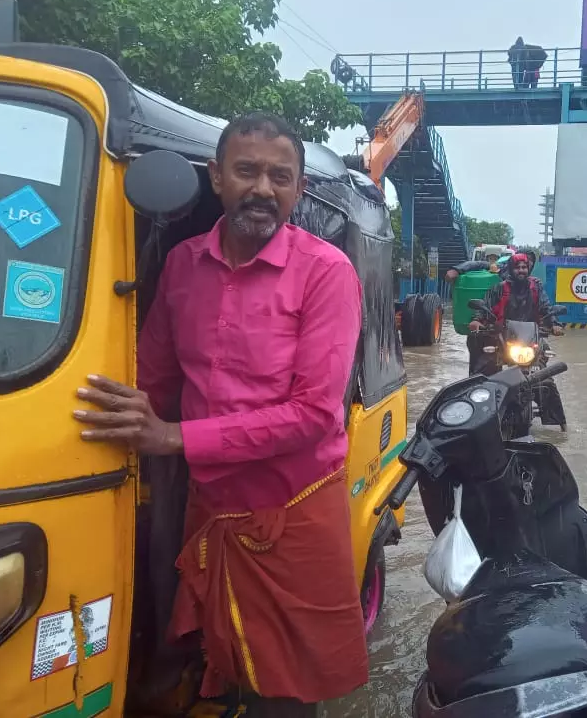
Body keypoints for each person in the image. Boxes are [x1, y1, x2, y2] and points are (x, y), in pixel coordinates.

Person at [73, 112, 368, 717]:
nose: (263, 189)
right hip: (210, 507)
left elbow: (313, 413)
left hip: (294, 510)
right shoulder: (182, 265)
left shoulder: (327, 273)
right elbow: (148, 380)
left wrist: (173, 437)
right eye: (247, 171)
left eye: (280, 177)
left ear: (299, 189)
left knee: (283, 696)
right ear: (216, 177)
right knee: (220, 664)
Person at [468, 253, 562, 376]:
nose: (521, 270)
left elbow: (546, 307)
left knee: (543, 362)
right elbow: (486, 305)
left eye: (524, 267)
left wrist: (554, 324)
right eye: (517, 268)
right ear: (511, 269)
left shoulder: (536, 288)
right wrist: (477, 320)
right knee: (484, 369)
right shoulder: (499, 288)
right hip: (501, 336)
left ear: (528, 269)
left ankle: (543, 391)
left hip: (529, 338)